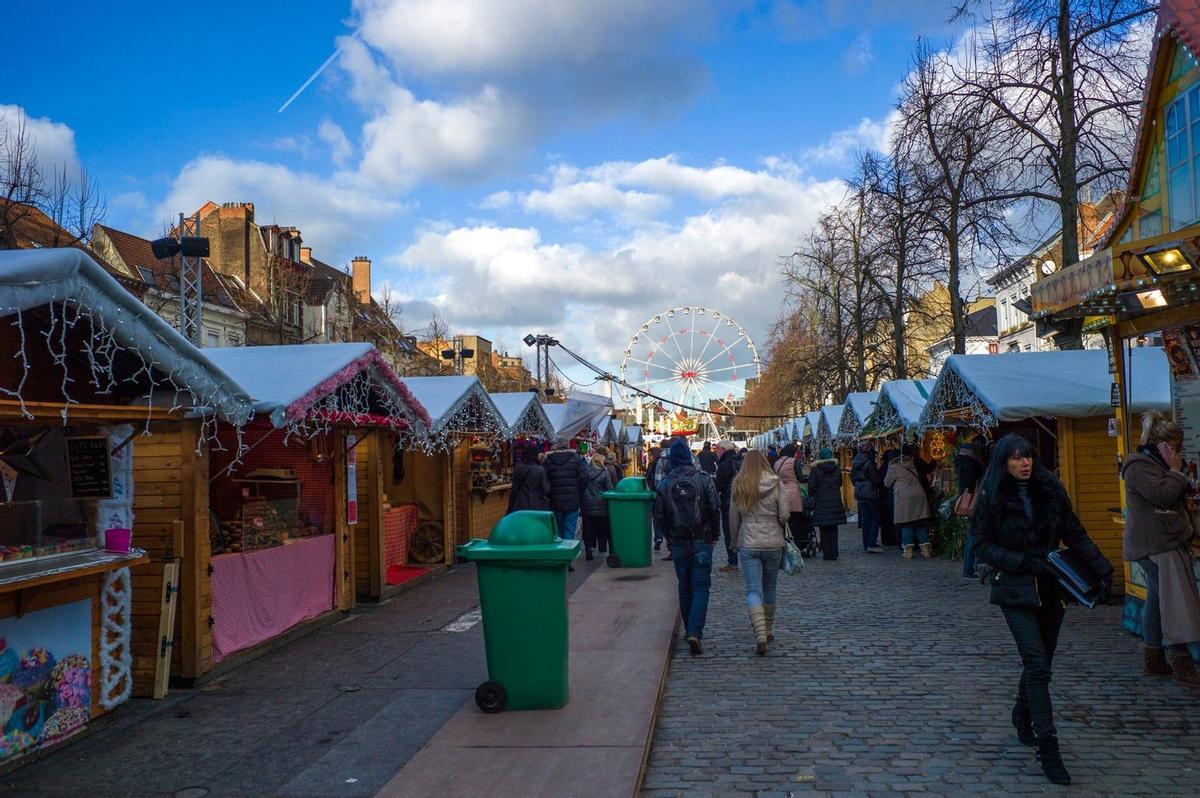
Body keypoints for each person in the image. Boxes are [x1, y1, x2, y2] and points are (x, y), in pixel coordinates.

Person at [973, 433, 1113, 786]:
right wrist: (1023, 561)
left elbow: (1075, 533)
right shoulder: (992, 495)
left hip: (1051, 588)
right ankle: (1049, 747)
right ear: (1003, 462)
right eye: (1017, 458)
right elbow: (982, 547)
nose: (1025, 463)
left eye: (1028, 457)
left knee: (1042, 662)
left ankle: (1023, 711)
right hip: (1015, 589)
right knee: (1036, 663)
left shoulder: (1050, 490)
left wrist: (1101, 569)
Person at [1122, 411, 1200, 687]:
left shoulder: (1151, 464)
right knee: (1172, 601)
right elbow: (1162, 496)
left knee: (1158, 599)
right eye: (1176, 448)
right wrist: (1177, 473)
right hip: (1154, 545)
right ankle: (1180, 661)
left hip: (1162, 542)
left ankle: (1154, 658)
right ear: (1164, 447)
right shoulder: (1139, 466)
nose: (1178, 453)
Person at [653, 437, 720, 655]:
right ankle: (694, 631)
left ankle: (689, 628)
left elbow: (659, 516)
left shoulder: (664, 485)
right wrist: (715, 534)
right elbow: (714, 507)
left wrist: (668, 538)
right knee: (701, 586)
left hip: (679, 541)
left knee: (684, 584)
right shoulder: (703, 479)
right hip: (702, 538)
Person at [729, 450, 788, 655]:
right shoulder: (776, 482)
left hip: (749, 542)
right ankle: (769, 629)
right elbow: (785, 514)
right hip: (773, 542)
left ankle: (760, 634)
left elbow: (733, 518)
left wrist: (734, 541)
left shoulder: (739, 484)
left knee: (754, 590)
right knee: (770, 588)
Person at [884, 443, 933, 559]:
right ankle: (926, 550)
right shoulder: (911, 464)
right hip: (919, 494)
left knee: (907, 523)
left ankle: (908, 551)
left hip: (904, 497)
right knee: (919, 522)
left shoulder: (893, 467)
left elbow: (887, 483)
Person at [542, 444, 589, 543]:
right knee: (570, 529)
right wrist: (579, 491)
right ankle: (568, 553)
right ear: (568, 446)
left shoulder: (549, 460)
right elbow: (585, 477)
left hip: (555, 501)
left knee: (558, 530)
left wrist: (549, 493)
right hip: (572, 501)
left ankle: (560, 554)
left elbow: (543, 480)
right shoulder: (576, 459)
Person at [956, 437, 988, 578]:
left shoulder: (961, 462)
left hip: (970, 503)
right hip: (976, 503)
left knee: (972, 535)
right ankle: (971, 568)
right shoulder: (971, 464)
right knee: (975, 536)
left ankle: (970, 568)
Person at [808, 447, 845, 561]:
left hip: (821, 500)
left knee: (824, 529)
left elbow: (812, 486)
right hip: (835, 500)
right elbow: (839, 482)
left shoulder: (816, 470)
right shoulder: (837, 469)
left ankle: (827, 553)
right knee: (833, 529)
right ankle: (834, 553)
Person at [850, 441, 884, 554]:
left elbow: (852, 478)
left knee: (865, 519)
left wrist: (859, 485)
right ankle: (871, 543)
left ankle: (867, 543)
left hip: (860, 492)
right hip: (870, 492)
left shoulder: (855, 461)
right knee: (874, 518)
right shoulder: (869, 462)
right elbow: (875, 479)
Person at [713, 440, 742, 573]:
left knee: (729, 532)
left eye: (717, 449)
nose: (716, 452)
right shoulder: (741, 462)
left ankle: (733, 561)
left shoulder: (725, 464)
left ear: (723, 449)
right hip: (744, 500)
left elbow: (719, 486)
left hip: (728, 502)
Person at [580, 453, 614, 561]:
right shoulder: (604, 473)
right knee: (604, 528)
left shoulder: (584, 472)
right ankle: (604, 548)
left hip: (587, 505)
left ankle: (589, 549)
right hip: (602, 505)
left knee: (588, 529)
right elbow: (610, 488)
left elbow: (580, 487)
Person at [772, 444, 806, 550]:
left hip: (780, 491)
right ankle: (797, 545)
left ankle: (783, 544)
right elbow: (800, 477)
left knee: (783, 520)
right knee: (796, 520)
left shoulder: (777, 463)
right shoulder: (793, 461)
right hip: (792, 492)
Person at [507, 447, 550, 513]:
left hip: (519, 505)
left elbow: (514, 489)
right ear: (536, 456)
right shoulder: (540, 470)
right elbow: (545, 490)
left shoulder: (517, 468)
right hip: (536, 504)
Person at [878, 447, 901, 547]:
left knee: (886, 520)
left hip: (884, 498)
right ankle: (895, 539)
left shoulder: (883, 468)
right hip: (892, 497)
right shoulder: (893, 468)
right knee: (893, 518)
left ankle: (887, 539)